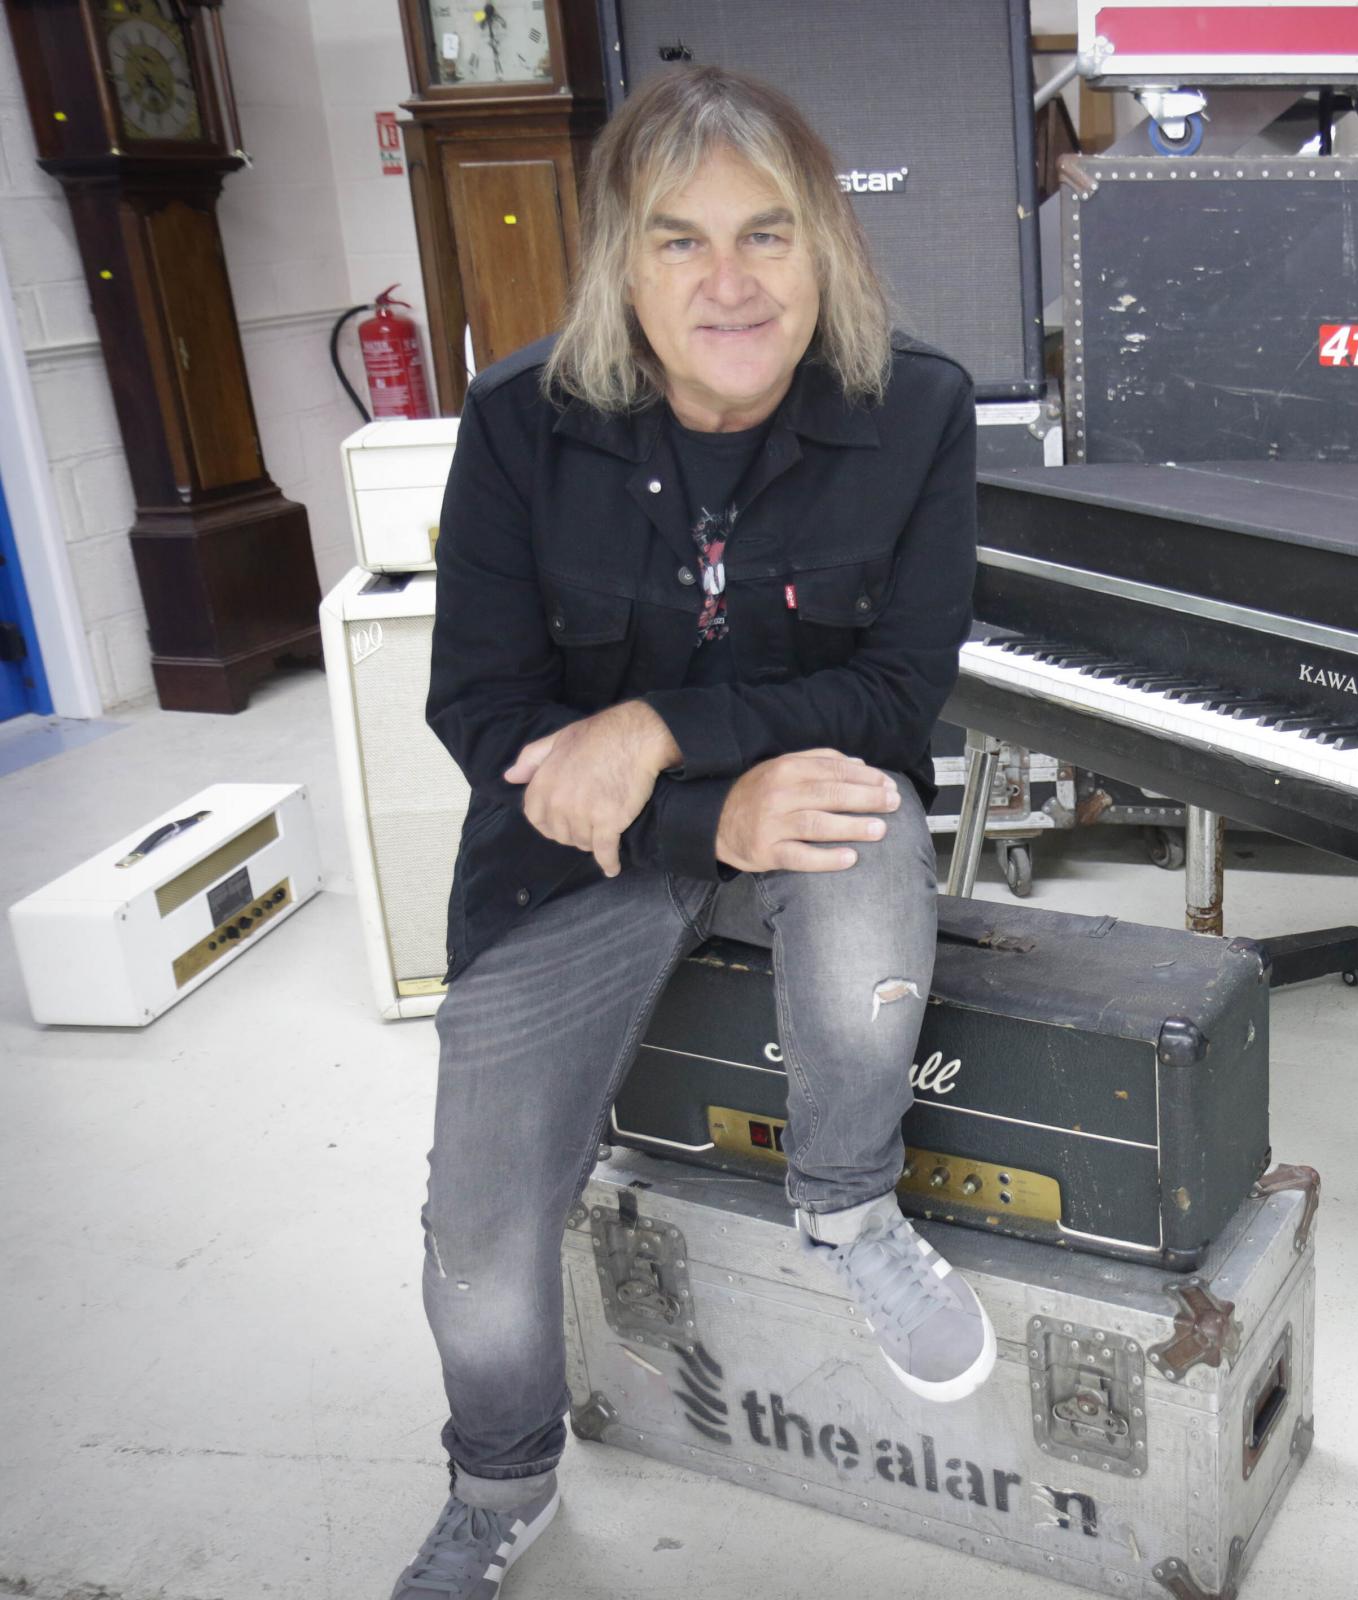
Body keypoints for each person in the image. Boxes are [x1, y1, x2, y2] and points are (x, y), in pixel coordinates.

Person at [391, 65, 990, 1599]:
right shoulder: (522, 424)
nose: (730, 283)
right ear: (622, 266)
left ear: (826, 250)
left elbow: (903, 692)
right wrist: (690, 817)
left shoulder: (916, 406)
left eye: (767, 237)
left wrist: (670, 732)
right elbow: (482, 710)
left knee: (865, 828)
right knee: (475, 1238)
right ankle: (501, 1484)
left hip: (794, 816)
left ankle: (848, 1201)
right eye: (680, 243)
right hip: (570, 865)